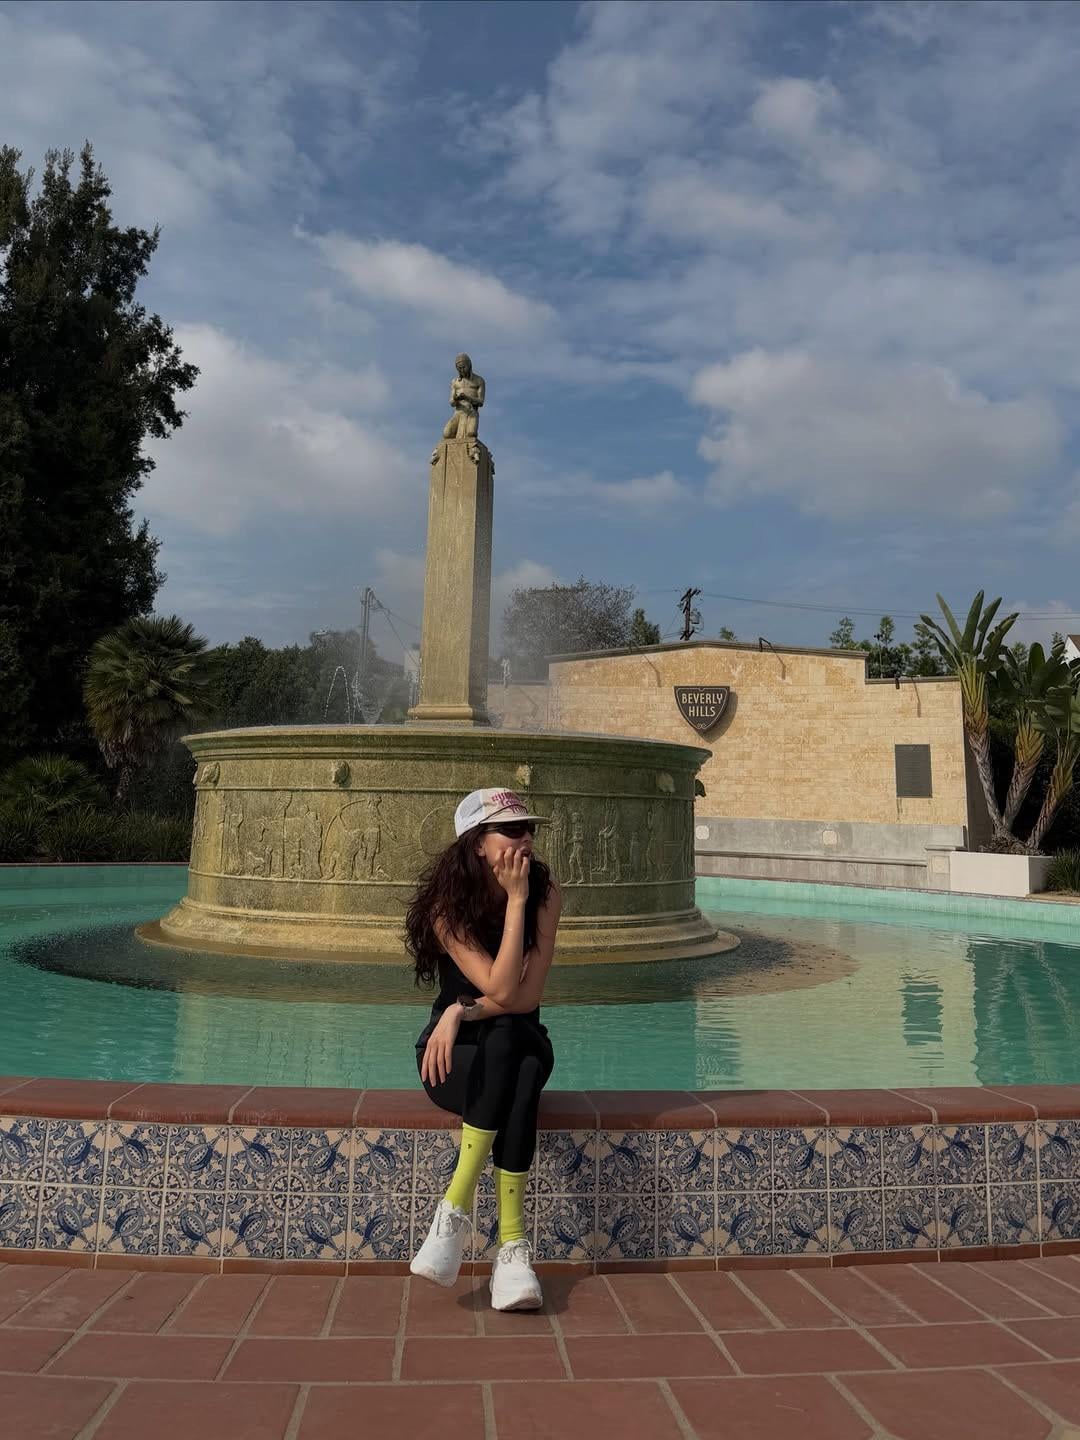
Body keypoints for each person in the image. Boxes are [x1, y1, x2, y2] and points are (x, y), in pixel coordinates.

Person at [405, 787, 561, 1311]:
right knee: (520, 1066)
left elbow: (526, 996)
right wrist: (515, 901)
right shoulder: (446, 908)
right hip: (451, 1056)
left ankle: (453, 1209)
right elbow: (502, 989)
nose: (525, 840)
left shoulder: (544, 893)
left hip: (505, 1033)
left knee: (512, 1038)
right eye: (511, 830)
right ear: (477, 842)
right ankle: (513, 1250)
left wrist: (460, 1011)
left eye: (528, 829)